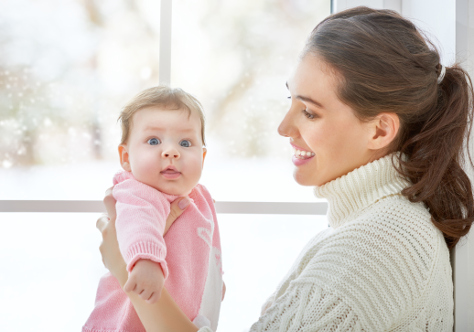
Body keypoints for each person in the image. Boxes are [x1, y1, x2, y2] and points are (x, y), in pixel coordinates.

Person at [95, 7, 474, 331]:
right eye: (289, 99)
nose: (283, 127)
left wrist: (125, 271)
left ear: (379, 130)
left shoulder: (374, 249)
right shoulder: (375, 227)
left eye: (309, 111)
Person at [84, 86, 224, 332]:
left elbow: (210, 242)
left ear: (202, 157)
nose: (171, 151)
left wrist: (215, 278)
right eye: (153, 141)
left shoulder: (201, 197)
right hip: (126, 323)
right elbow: (138, 225)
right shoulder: (138, 192)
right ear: (126, 157)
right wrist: (146, 262)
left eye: (185, 142)